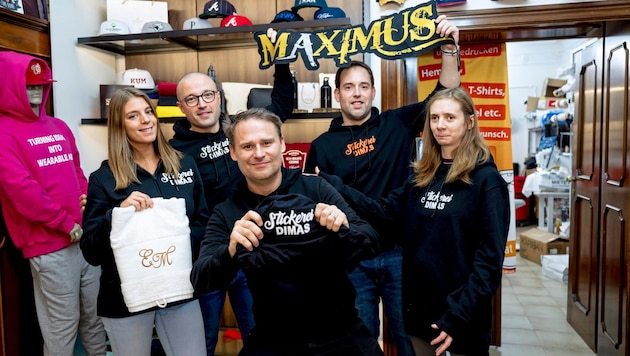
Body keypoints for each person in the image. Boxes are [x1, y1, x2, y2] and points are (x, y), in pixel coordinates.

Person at [303, 14, 461, 355]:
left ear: (373, 92)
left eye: (363, 86)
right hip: (352, 257)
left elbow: (446, 94)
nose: (357, 94)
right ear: (338, 94)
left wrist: (449, 49)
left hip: (401, 253)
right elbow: (312, 203)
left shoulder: (397, 123)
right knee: (360, 341)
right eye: (349, 87)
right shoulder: (322, 146)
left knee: (410, 338)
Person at [320, 87, 510, 356]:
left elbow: (489, 261)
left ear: (469, 122)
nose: (440, 125)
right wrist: (335, 185)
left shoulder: (487, 181)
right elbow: (382, 211)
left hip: (462, 318)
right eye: (434, 118)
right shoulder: (422, 177)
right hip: (421, 313)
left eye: (449, 117)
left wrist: (458, 316)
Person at [190, 108, 384, 356]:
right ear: (233, 152)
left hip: (340, 331)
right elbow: (201, 279)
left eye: (267, 143)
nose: (259, 153)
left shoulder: (316, 188)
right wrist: (229, 251)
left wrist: (344, 228)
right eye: (247, 146)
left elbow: (371, 240)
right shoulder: (229, 212)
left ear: (282, 144)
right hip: (274, 337)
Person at [170, 51, 293, 354]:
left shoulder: (239, 130)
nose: (202, 104)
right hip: (210, 257)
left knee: (260, 335)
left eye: (208, 95)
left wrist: (281, 61)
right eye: (192, 99)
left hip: (254, 251)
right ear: (181, 106)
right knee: (204, 341)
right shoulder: (173, 151)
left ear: (219, 96)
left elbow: (279, 106)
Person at [80, 87, 209, 355]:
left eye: (148, 112)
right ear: (119, 126)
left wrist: (177, 240)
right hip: (124, 301)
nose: (146, 120)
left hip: (180, 293)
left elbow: (202, 224)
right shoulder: (103, 179)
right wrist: (117, 216)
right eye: (133, 116)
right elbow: (91, 251)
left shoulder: (185, 165)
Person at [0, 51, 107, 356]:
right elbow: (22, 191)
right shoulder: (3, 134)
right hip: (49, 244)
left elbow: (77, 171)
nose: (36, 91)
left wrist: (89, 209)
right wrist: (64, 223)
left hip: (83, 237)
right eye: (28, 86)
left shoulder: (59, 126)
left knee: (96, 320)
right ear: (9, 87)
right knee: (62, 327)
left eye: (40, 85)